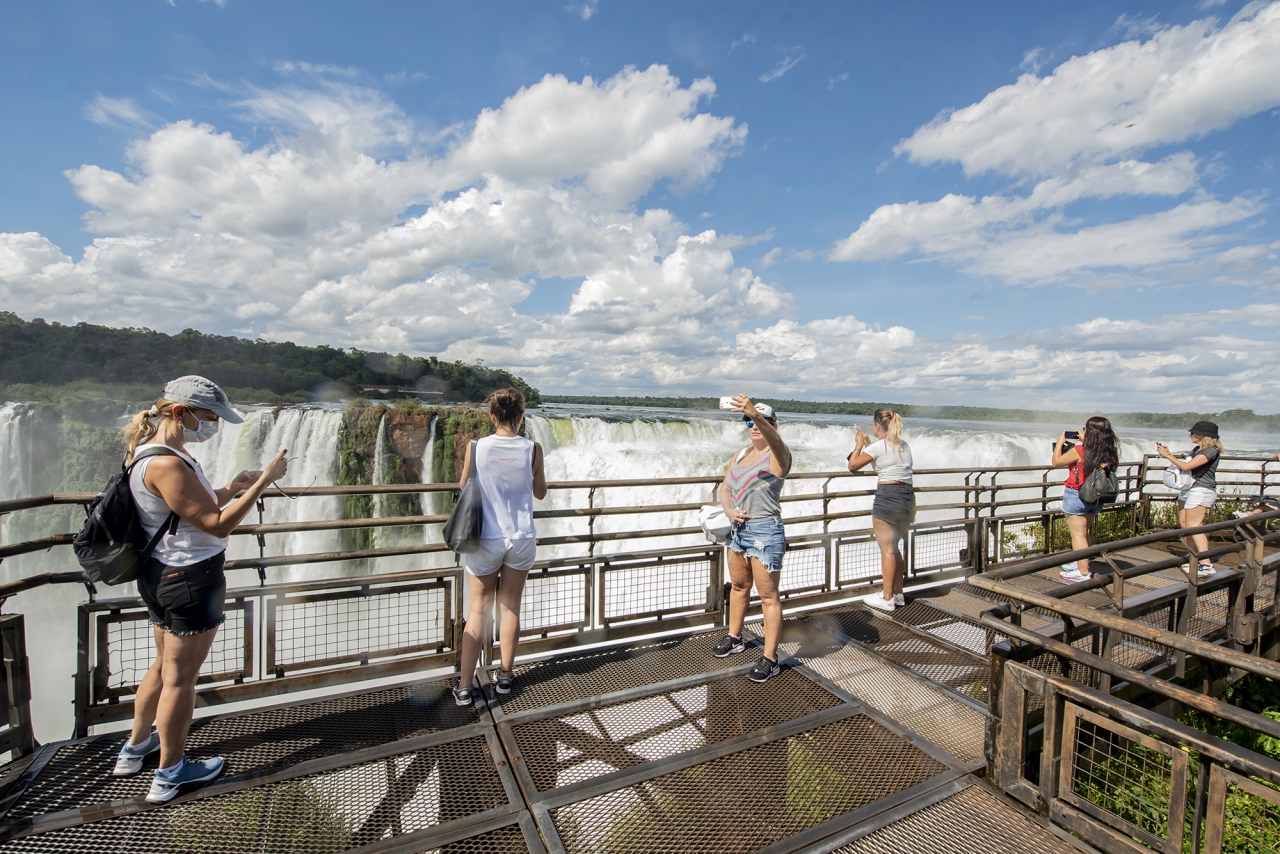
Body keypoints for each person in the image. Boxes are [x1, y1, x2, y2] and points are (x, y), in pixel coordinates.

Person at [115, 376, 287, 803]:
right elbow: (217, 524)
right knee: (181, 681)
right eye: (210, 417)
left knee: (162, 667)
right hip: (190, 580)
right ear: (180, 412)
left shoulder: (149, 452)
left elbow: (189, 509)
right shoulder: (168, 464)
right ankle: (170, 774)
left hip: (160, 574)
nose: (214, 425)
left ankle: (135, 749)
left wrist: (232, 488)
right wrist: (264, 481)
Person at [454, 388, 547, 705]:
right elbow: (540, 492)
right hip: (520, 538)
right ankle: (505, 678)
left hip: (485, 539)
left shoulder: (476, 446)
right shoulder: (533, 449)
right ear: (521, 416)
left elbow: (464, 486)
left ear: (492, 416)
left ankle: (464, 687)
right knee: (510, 608)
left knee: (478, 610)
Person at [711, 395, 793, 683]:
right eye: (748, 421)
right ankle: (735, 637)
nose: (754, 426)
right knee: (738, 587)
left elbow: (776, 442)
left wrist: (755, 414)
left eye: (762, 421)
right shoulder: (741, 454)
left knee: (769, 597)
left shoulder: (779, 454)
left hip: (765, 531)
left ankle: (770, 658)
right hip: (738, 531)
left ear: (773, 425)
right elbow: (725, 489)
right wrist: (729, 511)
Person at [846, 410, 915, 611]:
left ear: (877, 425)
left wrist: (859, 445)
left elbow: (852, 466)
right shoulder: (903, 445)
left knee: (887, 549)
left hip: (888, 498)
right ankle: (898, 595)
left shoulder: (878, 447)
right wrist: (869, 444)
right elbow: (883, 462)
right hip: (908, 499)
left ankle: (887, 598)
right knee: (894, 547)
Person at [1052, 416, 1121, 582]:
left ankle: (1083, 574)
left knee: (1078, 535)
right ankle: (1081, 564)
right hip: (1097, 497)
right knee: (1083, 533)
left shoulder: (1080, 450)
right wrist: (1087, 441)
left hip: (1077, 494)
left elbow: (1056, 462)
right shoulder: (1109, 452)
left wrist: (1060, 443)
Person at [1157, 421, 1223, 578]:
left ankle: (1206, 564)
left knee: (1195, 526)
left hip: (1201, 490)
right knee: (1185, 525)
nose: (1190, 435)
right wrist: (1168, 454)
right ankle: (1194, 557)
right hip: (1188, 489)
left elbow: (1187, 467)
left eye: (1193, 432)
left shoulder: (1211, 451)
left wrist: (1168, 455)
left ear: (1204, 435)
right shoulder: (1197, 450)